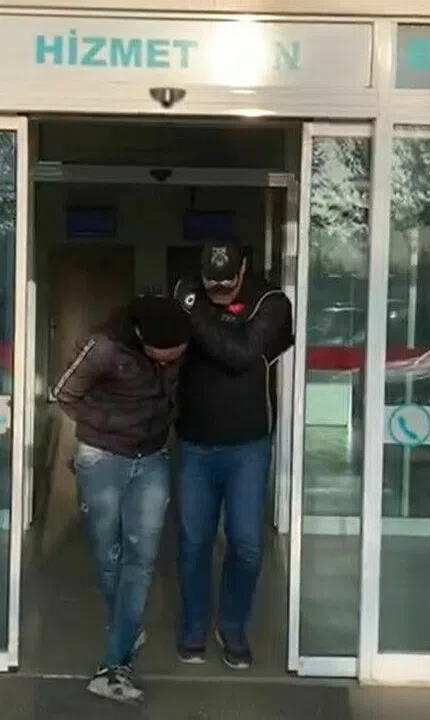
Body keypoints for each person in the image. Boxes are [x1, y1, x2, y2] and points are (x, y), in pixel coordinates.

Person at [50, 294, 190, 704]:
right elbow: (64, 392)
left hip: (152, 459)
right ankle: (127, 626)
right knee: (107, 554)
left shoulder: (180, 346)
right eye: (163, 355)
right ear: (142, 340)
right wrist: (113, 423)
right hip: (102, 458)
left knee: (140, 559)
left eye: (177, 354)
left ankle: (114, 665)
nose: (170, 361)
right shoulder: (103, 347)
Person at [172, 240, 294, 670]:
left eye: (227, 283)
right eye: (212, 284)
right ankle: (193, 627)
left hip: (248, 446)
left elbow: (241, 356)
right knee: (193, 544)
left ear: (243, 272)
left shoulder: (271, 301)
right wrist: (194, 312)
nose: (219, 291)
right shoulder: (187, 291)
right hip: (194, 443)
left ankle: (232, 626)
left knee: (246, 544)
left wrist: (195, 313)